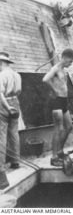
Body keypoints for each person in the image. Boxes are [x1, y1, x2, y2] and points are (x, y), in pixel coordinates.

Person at [42, 48, 73, 166]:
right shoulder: (56, 68)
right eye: (70, 61)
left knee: (69, 126)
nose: (71, 64)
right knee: (58, 129)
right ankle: (54, 157)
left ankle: (60, 151)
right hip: (56, 101)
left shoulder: (63, 69)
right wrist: (54, 89)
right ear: (65, 58)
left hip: (63, 101)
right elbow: (45, 79)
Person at [0, 52, 21, 189]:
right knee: (14, 132)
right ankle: (15, 161)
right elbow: (19, 91)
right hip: (16, 102)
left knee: (1, 136)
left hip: (4, 104)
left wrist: (7, 107)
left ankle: (1, 167)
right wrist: (13, 105)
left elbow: (0, 93)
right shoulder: (17, 75)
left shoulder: (1, 75)